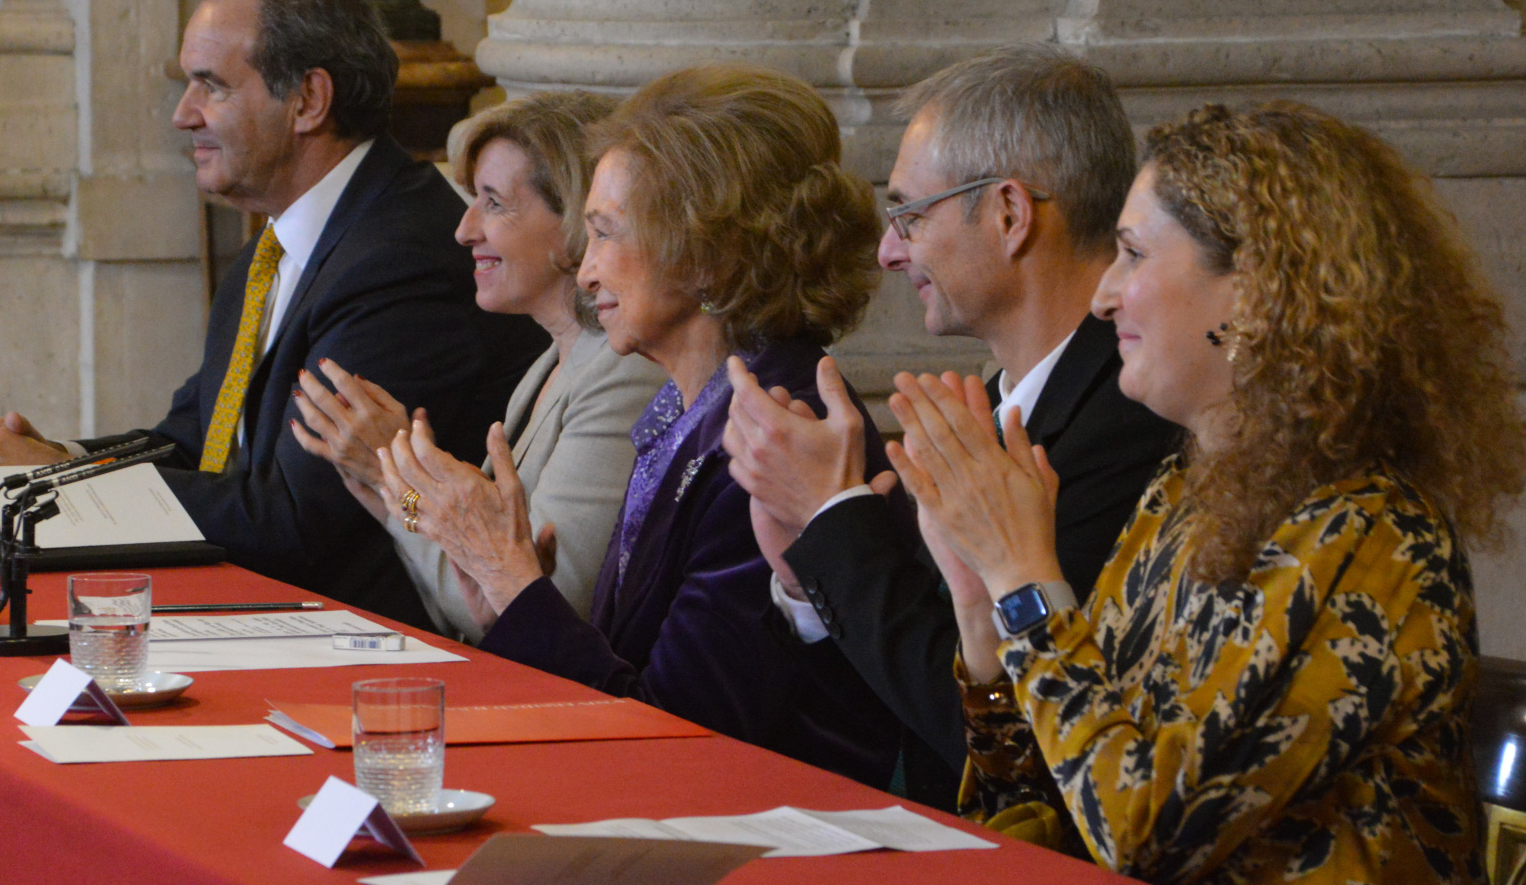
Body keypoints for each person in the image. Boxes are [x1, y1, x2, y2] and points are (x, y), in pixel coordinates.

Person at [891, 101, 1523, 882]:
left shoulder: (1371, 536)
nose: (1103, 295)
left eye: (1131, 255)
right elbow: (1043, 812)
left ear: (1258, 290)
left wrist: (1025, 581)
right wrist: (979, 608)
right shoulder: (1178, 491)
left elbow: (1150, 833)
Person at [0, 0, 546, 626]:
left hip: (372, 651)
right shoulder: (274, 247)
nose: (182, 114)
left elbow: (293, 519)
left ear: (308, 101)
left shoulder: (399, 257)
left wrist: (53, 486)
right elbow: (199, 439)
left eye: (211, 86)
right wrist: (55, 457)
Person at [375, 65, 904, 787]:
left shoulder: (777, 430)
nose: (584, 270)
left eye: (606, 235)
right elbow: (629, 667)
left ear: (709, 256)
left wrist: (515, 583)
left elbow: (678, 731)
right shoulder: (683, 405)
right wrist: (508, 599)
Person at [723, 45, 1180, 802]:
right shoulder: (1001, 400)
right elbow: (890, 700)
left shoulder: (1129, 423)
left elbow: (993, 726)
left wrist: (833, 521)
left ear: (1009, 214)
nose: (888, 250)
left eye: (907, 213)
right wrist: (806, 582)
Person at [287, 91, 665, 642]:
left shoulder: (621, 372)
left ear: (575, 221)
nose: (464, 231)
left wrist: (397, 474)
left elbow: (535, 605)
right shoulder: (548, 367)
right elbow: (470, 604)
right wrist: (399, 487)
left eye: (493, 203)